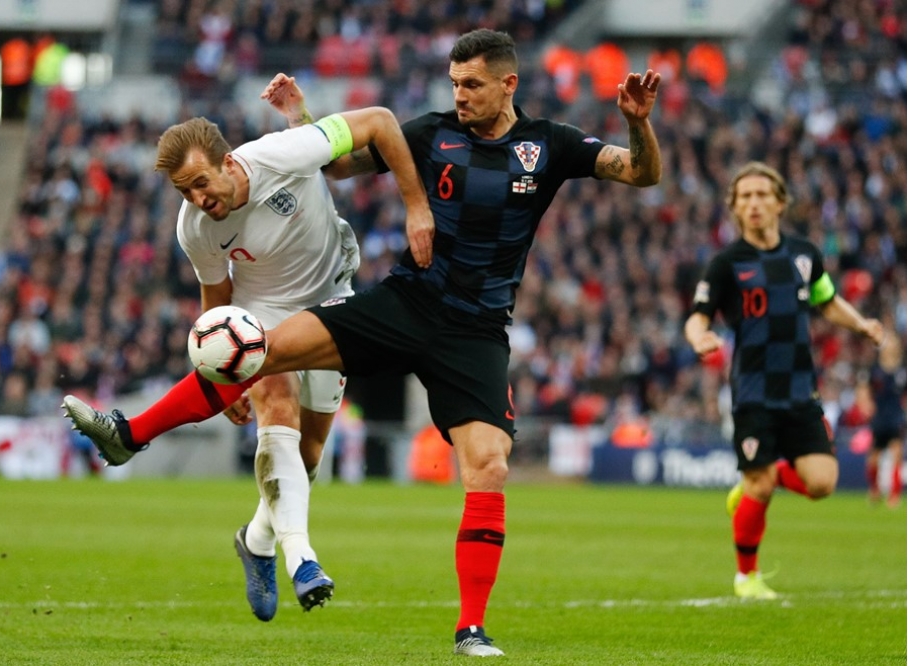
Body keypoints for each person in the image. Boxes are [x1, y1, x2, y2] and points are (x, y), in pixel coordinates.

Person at [69, 28, 662, 657]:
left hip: (476, 331)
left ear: (508, 84)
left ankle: (470, 629)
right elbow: (337, 164)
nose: (459, 96)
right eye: (454, 83)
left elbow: (641, 173)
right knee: (255, 350)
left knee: (487, 464)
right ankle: (130, 434)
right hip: (404, 302)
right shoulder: (432, 132)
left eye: (473, 85)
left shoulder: (551, 145)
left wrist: (638, 125)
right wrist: (302, 123)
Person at [63, 105, 431, 621]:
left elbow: (382, 123)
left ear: (227, 161)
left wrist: (416, 207)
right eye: (183, 191)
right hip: (257, 321)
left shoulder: (286, 153)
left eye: (199, 182)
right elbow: (217, 297)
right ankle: (302, 560)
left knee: (307, 459)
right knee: (277, 410)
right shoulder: (194, 227)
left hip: (332, 303)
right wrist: (225, 371)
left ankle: (257, 541)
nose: (196, 198)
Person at [683, 161, 888, 600]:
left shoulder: (803, 254)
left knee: (822, 483)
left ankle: (762, 475)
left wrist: (861, 325)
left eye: (761, 195)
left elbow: (827, 301)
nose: (753, 203)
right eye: (744, 197)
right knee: (760, 485)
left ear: (779, 203)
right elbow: (697, 317)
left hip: (800, 389)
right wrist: (700, 338)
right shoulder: (726, 264)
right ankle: (747, 577)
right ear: (735, 209)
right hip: (753, 392)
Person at [866, 330, 905, 507]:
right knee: (874, 457)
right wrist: (866, 405)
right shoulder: (875, 369)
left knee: (896, 453)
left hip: (896, 416)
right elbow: (865, 389)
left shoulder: (902, 370)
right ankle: (874, 489)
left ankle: (894, 495)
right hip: (880, 416)